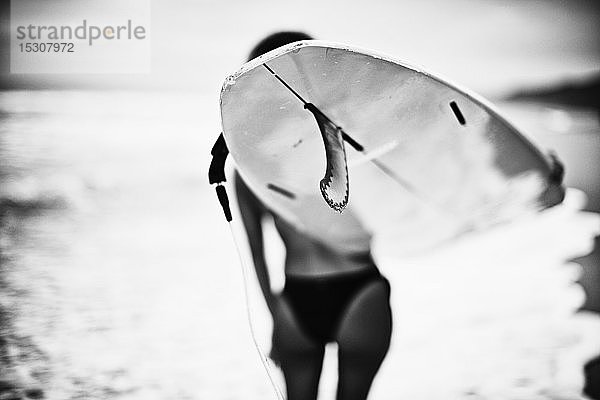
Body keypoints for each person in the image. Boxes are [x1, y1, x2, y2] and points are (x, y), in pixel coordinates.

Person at [235, 32, 393, 400]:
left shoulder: (250, 163)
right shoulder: (350, 147)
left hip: (296, 299)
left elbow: (255, 253)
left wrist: (276, 316)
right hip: (361, 290)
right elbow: (407, 197)